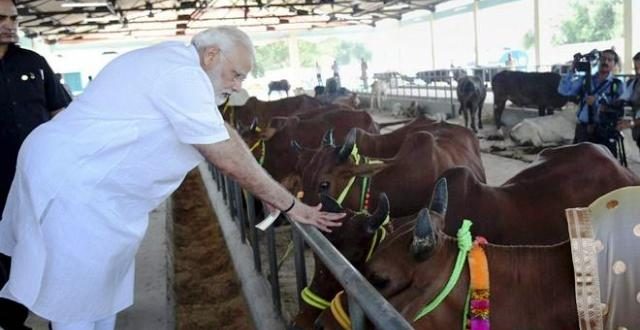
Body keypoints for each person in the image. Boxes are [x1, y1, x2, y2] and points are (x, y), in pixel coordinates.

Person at [0, 26, 344, 330]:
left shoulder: (178, 64)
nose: (239, 86)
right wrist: (288, 203)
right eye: (236, 74)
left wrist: (265, 189)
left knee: (102, 285)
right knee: (76, 291)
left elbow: (218, 128)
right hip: (75, 184)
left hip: (96, 186)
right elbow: (222, 153)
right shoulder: (181, 74)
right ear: (211, 55)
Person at [0, 0, 72, 328]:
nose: (9, 24)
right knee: (5, 257)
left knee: (56, 250)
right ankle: (14, 322)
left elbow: (61, 113)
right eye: (1, 18)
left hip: (41, 180)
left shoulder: (33, 62)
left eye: (13, 17)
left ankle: (63, 316)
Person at [558, 49, 625, 157]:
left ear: (614, 64)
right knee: (580, 164)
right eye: (603, 59)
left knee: (605, 166)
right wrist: (572, 69)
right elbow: (563, 90)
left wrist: (597, 102)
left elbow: (619, 109)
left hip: (605, 131)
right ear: (598, 61)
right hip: (583, 130)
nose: (605, 62)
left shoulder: (617, 85)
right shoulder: (585, 80)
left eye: (610, 60)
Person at [617, 51, 640, 151]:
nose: (638, 72)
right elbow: (626, 102)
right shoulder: (634, 83)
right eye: (636, 69)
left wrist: (631, 123)